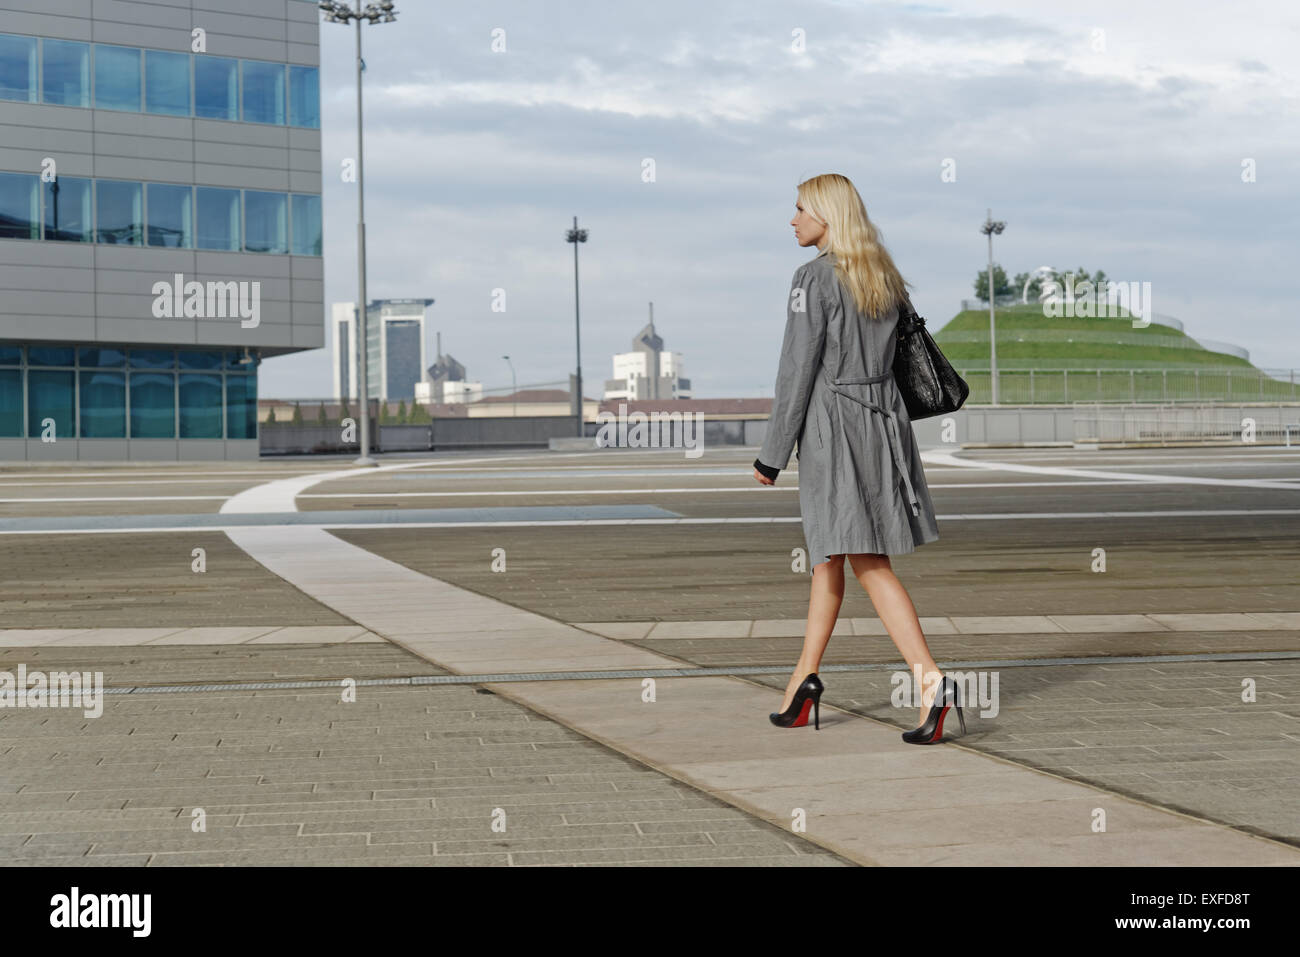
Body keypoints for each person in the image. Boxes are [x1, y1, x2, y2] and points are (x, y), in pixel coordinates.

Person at [752, 172, 962, 744]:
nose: (792, 219)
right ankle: (804, 681)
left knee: (866, 561)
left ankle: (931, 679)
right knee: (829, 557)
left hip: (833, 431)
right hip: (884, 424)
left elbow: (796, 370)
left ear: (825, 214)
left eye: (800, 209)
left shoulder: (811, 279)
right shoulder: (882, 275)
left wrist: (772, 454)